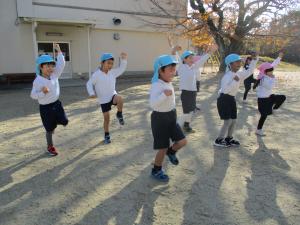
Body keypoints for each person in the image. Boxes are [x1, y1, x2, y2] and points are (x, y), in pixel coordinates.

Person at [150, 54, 187, 182]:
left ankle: (171, 152)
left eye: (174, 69)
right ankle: (156, 169)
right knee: (162, 147)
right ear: (161, 71)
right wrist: (164, 96)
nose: (173, 72)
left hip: (171, 116)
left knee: (182, 141)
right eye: (170, 69)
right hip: (159, 119)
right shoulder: (157, 85)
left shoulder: (167, 82)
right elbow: (153, 104)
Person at [214, 52, 259, 147]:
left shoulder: (239, 73)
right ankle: (218, 140)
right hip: (223, 99)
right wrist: (235, 81)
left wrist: (254, 60)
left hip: (231, 99)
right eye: (236, 62)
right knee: (227, 121)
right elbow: (225, 90)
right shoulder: (227, 76)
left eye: (239, 61)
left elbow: (250, 71)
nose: (239, 63)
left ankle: (229, 138)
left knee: (233, 120)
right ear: (230, 64)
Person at [30, 43, 68, 156]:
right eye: (47, 66)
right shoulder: (38, 81)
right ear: (41, 67)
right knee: (49, 129)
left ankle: (54, 123)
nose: (51, 68)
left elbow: (61, 64)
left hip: (56, 104)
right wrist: (42, 92)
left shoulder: (54, 74)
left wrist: (59, 52)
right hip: (46, 108)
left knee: (64, 121)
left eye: (52, 66)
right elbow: (33, 95)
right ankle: (50, 147)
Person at [86, 52, 127, 144]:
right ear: (102, 63)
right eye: (108, 63)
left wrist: (123, 60)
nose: (110, 65)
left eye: (112, 63)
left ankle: (119, 114)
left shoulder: (112, 73)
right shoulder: (96, 74)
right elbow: (89, 83)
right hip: (103, 100)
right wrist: (91, 93)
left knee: (120, 98)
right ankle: (107, 135)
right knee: (106, 118)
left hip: (113, 95)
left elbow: (121, 69)